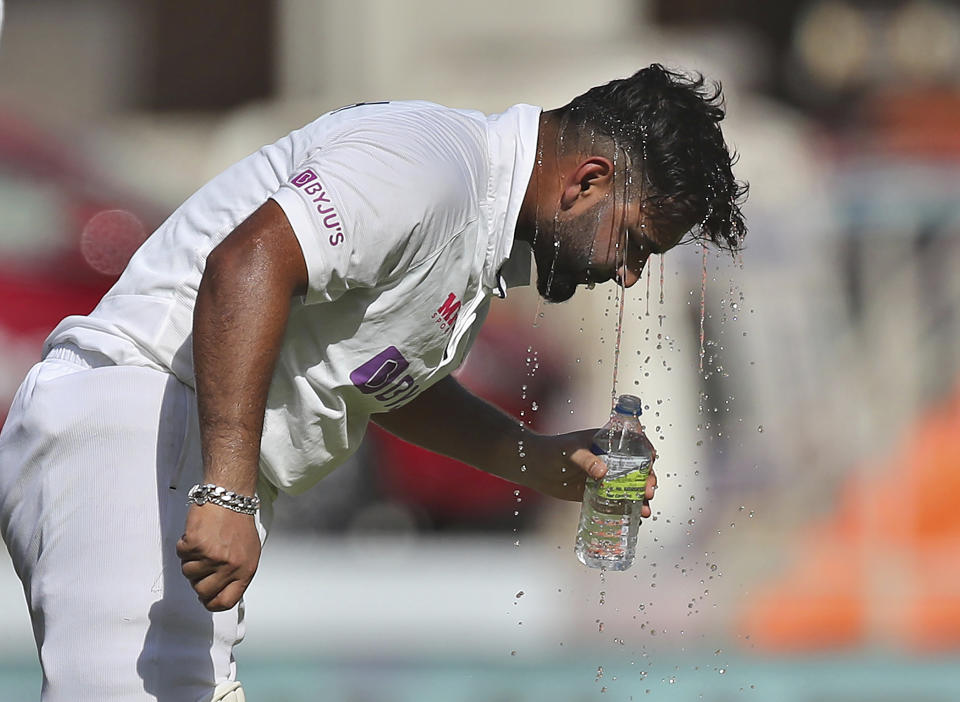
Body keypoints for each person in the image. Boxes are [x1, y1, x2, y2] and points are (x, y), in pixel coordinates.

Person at [0, 63, 747, 702]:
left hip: (162, 443)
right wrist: (225, 492)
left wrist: (537, 459)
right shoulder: (431, 166)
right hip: (138, 420)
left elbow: (385, 384)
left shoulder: (477, 218)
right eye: (635, 243)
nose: (626, 273)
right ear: (588, 181)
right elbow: (249, 264)